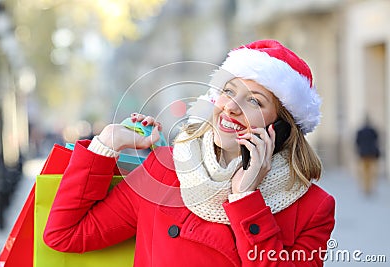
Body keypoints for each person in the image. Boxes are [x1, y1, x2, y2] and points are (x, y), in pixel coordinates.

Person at [44, 40, 335, 266]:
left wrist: (246, 199)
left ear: (281, 126)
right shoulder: (164, 169)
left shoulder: (312, 208)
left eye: (255, 102)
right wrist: (107, 143)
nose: (231, 107)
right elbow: (64, 234)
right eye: (229, 91)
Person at [355, 117, 380, 195]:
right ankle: (370, 187)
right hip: (372, 154)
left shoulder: (360, 131)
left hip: (363, 154)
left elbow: (357, 142)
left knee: (364, 172)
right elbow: (377, 140)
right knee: (372, 172)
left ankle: (365, 188)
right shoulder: (373, 131)